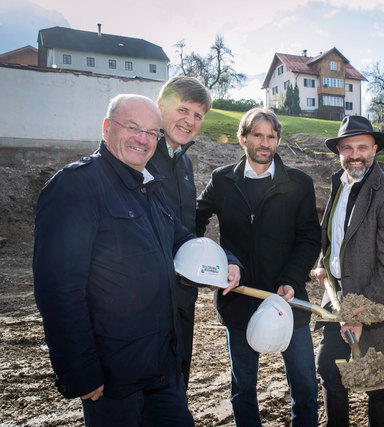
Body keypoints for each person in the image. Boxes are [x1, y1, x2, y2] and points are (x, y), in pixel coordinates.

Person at [32, 94, 241, 426]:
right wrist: (80, 371)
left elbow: (183, 241)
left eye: (152, 133)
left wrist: (225, 260)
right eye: (132, 127)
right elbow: (58, 291)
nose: (143, 139)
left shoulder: (149, 188)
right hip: (114, 376)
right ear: (107, 128)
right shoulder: (76, 187)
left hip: (161, 367)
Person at [195, 107, 321, 426]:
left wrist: (292, 278)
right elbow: (194, 221)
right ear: (243, 138)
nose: (265, 143)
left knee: (305, 384)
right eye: (258, 135)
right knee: (243, 388)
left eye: (271, 137)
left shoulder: (299, 183)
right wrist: (210, 264)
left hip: (287, 297)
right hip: (238, 296)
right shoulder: (222, 180)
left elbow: (309, 238)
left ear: (277, 140)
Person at [312, 115, 384, 427]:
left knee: (378, 384)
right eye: (347, 148)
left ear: (374, 150)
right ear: (339, 151)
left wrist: (358, 312)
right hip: (338, 296)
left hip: (374, 303)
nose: (354, 154)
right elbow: (334, 236)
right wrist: (324, 265)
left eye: (362, 147)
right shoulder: (339, 185)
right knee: (330, 369)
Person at [150, 76, 212, 388]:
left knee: (177, 386)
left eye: (197, 115)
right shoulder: (141, 156)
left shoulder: (184, 163)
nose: (189, 121)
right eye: (183, 110)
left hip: (183, 296)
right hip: (147, 299)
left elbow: (186, 226)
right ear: (161, 106)